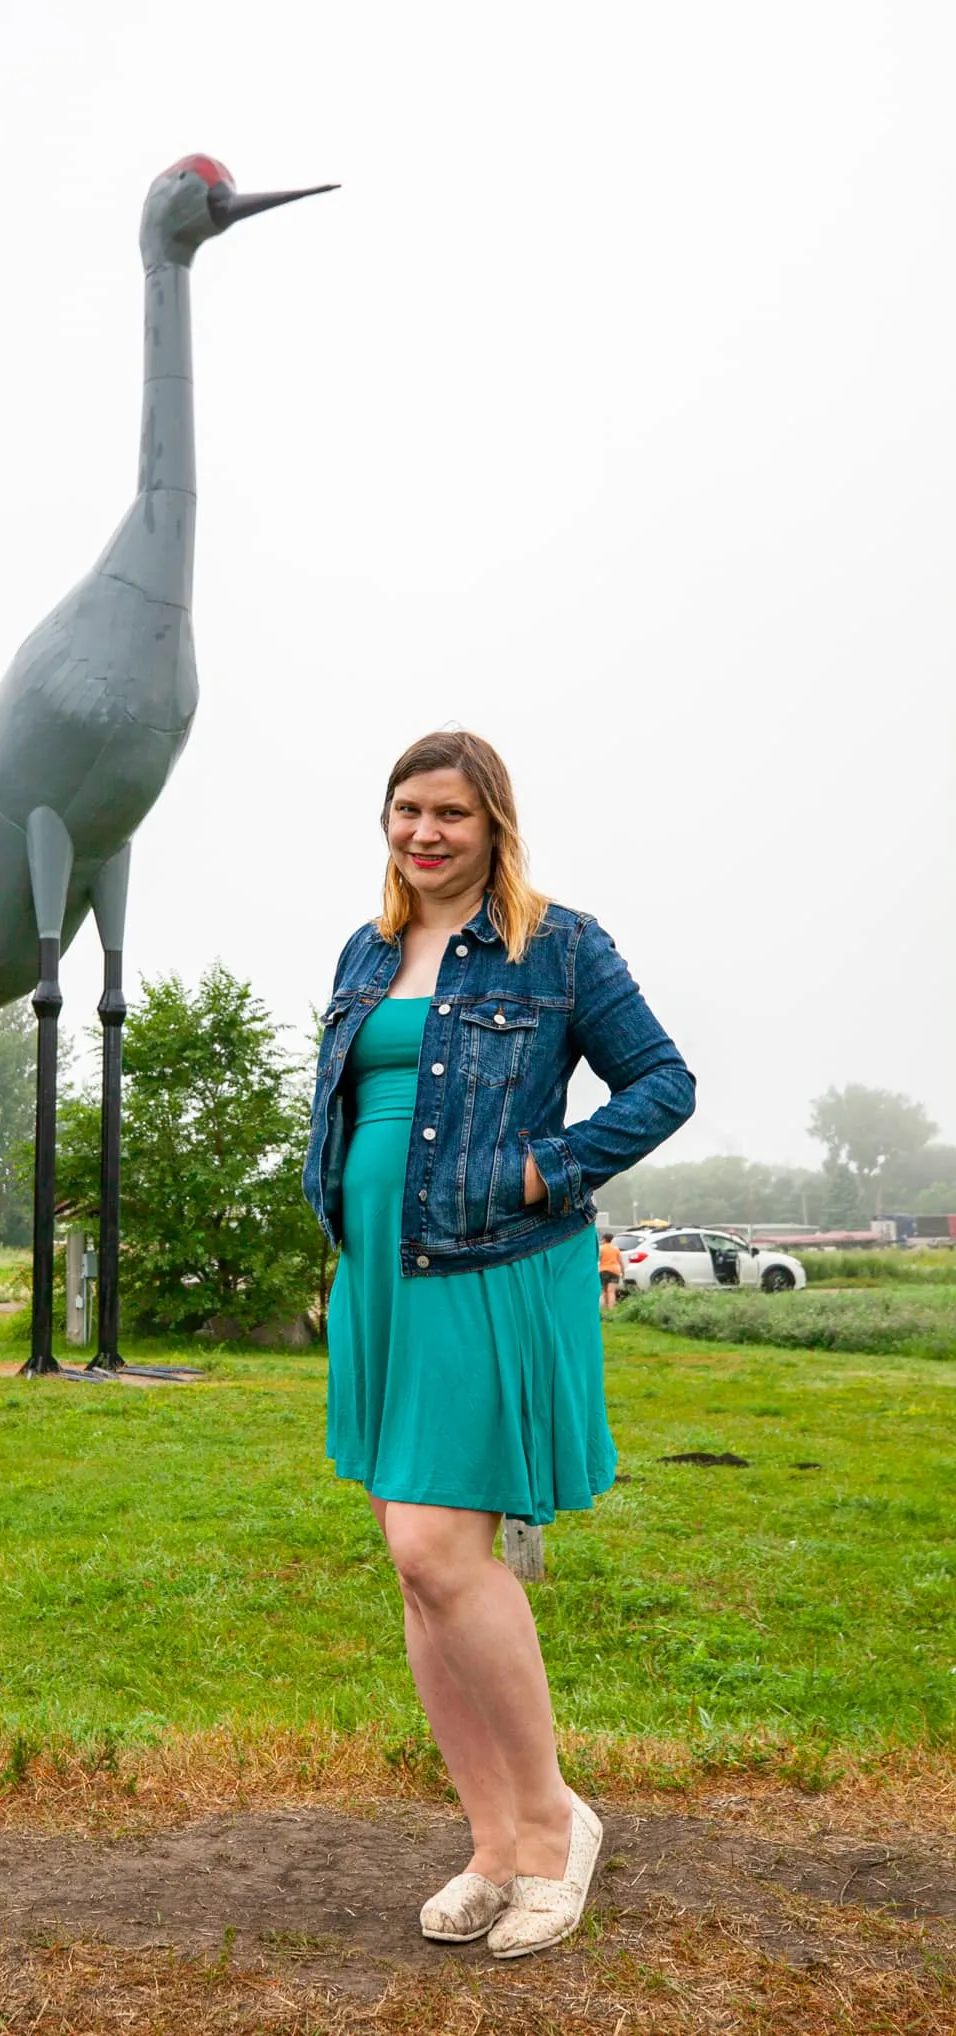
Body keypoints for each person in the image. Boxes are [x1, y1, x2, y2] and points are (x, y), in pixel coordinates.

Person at [303, 730, 694, 1958]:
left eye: (449, 816)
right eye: (405, 812)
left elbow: (661, 1083)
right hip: (379, 1277)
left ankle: (550, 1828)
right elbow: (363, 1103)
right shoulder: (367, 949)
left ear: (493, 826)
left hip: (485, 1268)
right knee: (414, 1561)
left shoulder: (558, 944)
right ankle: (486, 1843)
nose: (423, 835)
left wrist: (547, 1168)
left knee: (438, 1541)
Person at [598, 1230, 622, 1311]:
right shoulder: (616, 1249)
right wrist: (623, 1271)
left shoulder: (601, 1248)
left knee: (604, 1290)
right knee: (611, 1291)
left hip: (604, 1270)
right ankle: (611, 1310)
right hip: (615, 1271)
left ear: (604, 1239)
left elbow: (598, 1259)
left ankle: (605, 1308)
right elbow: (620, 1261)